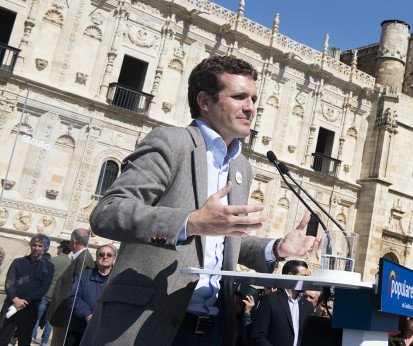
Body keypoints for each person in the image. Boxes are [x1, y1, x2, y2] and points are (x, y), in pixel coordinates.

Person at [84, 56, 320, 346]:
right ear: (205, 101)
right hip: (148, 323)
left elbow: (218, 241)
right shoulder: (172, 143)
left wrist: (277, 249)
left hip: (214, 330)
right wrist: (189, 221)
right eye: (239, 97)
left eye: (254, 99)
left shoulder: (240, 167)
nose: (251, 107)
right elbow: (107, 212)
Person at [0, 235, 54, 346]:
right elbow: (9, 283)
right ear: (30, 245)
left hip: (30, 307)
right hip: (11, 304)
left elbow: (43, 288)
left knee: (24, 339)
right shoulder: (18, 262)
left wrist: (24, 301)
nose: (36, 248)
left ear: (45, 248)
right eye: (34, 245)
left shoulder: (48, 266)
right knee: (2, 335)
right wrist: (15, 299)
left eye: (40, 246)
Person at [49, 228, 95, 346]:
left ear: (74, 241)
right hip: (63, 315)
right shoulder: (80, 258)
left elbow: (78, 289)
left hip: (66, 316)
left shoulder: (84, 259)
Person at [252, 260, 314, 346]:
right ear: (290, 276)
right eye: (304, 276)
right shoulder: (270, 300)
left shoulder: (308, 306)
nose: (306, 280)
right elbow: (259, 335)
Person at [63, 245, 116, 346]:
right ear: (97, 257)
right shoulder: (84, 275)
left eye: (109, 255)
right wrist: (87, 315)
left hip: (104, 332)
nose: (105, 257)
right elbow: (73, 298)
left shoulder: (118, 279)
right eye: (101, 254)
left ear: (114, 258)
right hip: (79, 329)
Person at [31, 240, 71, 345]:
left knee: (36, 316)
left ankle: (32, 337)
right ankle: (44, 342)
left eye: (58, 247)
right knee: (50, 321)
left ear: (61, 249)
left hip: (46, 292)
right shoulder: (70, 263)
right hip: (57, 296)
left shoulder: (52, 260)